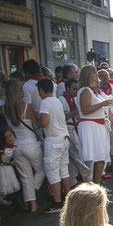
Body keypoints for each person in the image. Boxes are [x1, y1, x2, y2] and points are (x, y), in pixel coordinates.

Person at [3, 79, 45, 213]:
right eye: (21, 89)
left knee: (25, 176)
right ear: (18, 92)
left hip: (16, 146)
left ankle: (32, 203)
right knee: (42, 169)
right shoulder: (27, 107)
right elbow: (36, 126)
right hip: (31, 144)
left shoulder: (5, 108)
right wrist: (38, 117)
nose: (23, 91)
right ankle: (32, 193)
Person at [37, 78, 70, 213]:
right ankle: (68, 199)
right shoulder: (57, 100)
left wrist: (37, 121)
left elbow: (44, 122)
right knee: (63, 169)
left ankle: (57, 202)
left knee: (53, 172)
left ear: (41, 90)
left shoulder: (44, 102)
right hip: (64, 137)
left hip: (53, 139)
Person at [76, 65, 113, 186]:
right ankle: (88, 185)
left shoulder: (92, 90)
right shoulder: (85, 90)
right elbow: (85, 110)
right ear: (88, 75)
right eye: (94, 74)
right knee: (90, 158)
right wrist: (103, 103)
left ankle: (97, 185)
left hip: (98, 126)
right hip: (89, 126)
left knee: (100, 156)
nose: (97, 76)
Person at [59, 77, 91, 185]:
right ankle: (88, 177)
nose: (76, 91)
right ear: (67, 88)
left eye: (77, 89)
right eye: (74, 89)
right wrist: (76, 111)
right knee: (76, 154)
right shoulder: (61, 100)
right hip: (68, 128)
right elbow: (63, 117)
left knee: (73, 156)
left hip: (76, 127)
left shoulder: (75, 98)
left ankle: (73, 180)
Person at [0, 127, 20, 206]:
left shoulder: (10, 146)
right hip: (3, 169)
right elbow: (3, 161)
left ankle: (2, 198)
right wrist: (11, 163)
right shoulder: (7, 149)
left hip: (5, 168)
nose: (10, 139)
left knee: (5, 185)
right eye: (6, 138)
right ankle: (0, 199)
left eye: (10, 136)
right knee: (3, 185)